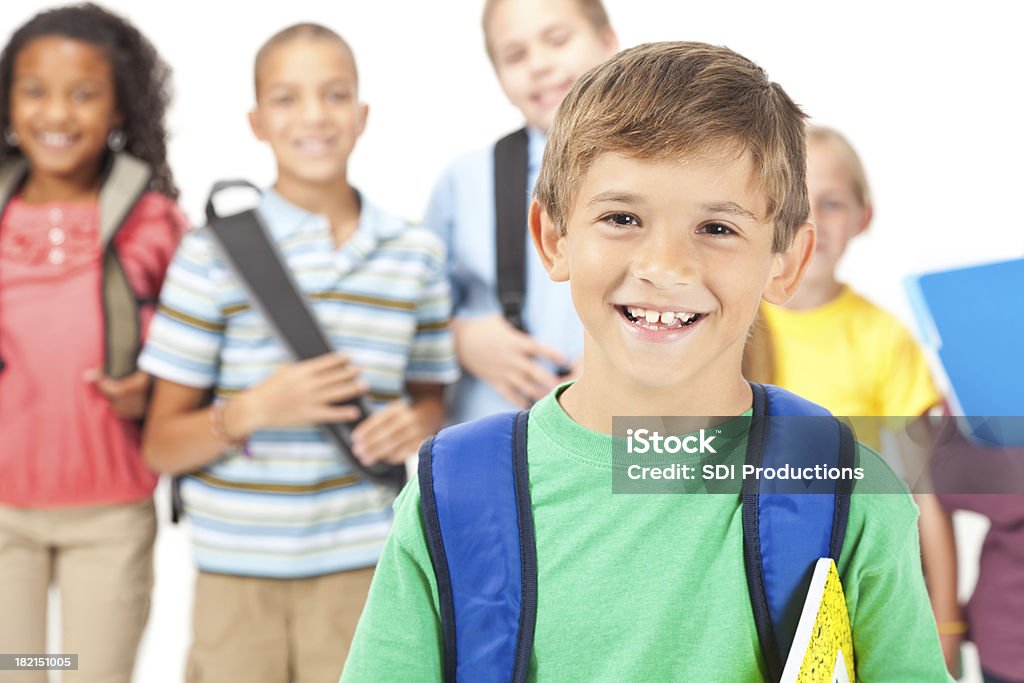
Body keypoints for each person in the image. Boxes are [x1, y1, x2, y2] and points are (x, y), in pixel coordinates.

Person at [341, 42, 950, 681]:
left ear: (787, 261)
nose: (665, 267)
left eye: (717, 228)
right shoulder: (452, 492)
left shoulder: (849, 492)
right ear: (553, 238)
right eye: (622, 217)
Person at [139, 23, 458, 683]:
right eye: (287, 99)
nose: (314, 115)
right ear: (256, 122)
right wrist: (257, 407)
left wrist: (418, 422)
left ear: (362, 114)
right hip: (235, 573)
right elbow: (161, 444)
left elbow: (431, 396)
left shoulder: (415, 254)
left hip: (365, 565)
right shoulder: (210, 254)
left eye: (334, 94)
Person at [0, 5, 185, 682]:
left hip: (108, 514)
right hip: (3, 516)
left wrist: (153, 389)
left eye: (83, 93)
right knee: (19, 669)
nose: (57, 112)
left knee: (88, 671)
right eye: (35, 90)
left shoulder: (155, 220)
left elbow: (200, 344)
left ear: (118, 109)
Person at [753, 125, 961, 673]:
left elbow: (923, 500)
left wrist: (945, 628)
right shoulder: (729, 322)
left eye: (833, 203)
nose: (812, 221)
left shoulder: (883, 338)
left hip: (846, 582)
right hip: (745, 574)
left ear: (864, 217)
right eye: (796, 201)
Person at [425, 0, 617, 423]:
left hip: (630, 432)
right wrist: (462, 339)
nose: (539, 65)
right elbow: (415, 312)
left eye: (558, 40)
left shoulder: (669, 169)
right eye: (515, 55)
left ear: (608, 42)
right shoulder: (465, 179)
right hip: (492, 435)